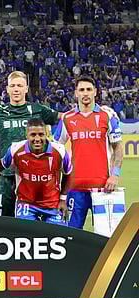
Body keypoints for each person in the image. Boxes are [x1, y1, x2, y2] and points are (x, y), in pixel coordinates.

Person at [0, 71, 60, 217]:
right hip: (7, 174)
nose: (16, 89)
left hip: (33, 176)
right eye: (13, 86)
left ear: (26, 88)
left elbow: (64, 117)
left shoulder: (38, 110)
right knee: (4, 220)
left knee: (33, 220)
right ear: (7, 89)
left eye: (19, 85)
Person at [53, 75, 123, 229]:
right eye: (82, 90)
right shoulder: (67, 118)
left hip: (103, 188)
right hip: (74, 188)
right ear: (76, 93)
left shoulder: (107, 115)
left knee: (106, 236)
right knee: (71, 235)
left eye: (89, 90)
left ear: (95, 92)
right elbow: (56, 150)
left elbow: (117, 146)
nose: (85, 93)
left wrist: (114, 175)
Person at [0, 119, 71, 224]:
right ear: (27, 135)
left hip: (53, 204)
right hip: (26, 204)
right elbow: (2, 165)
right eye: (33, 135)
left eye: (41, 134)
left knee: (59, 237)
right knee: (26, 237)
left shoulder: (59, 151)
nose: (37, 138)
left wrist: (63, 199)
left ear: (47, 134)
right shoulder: (15, 149)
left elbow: (68, 173)